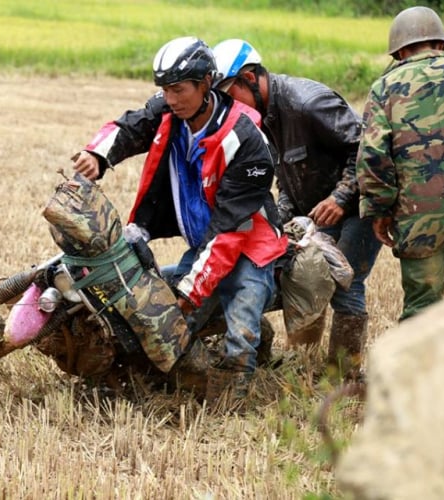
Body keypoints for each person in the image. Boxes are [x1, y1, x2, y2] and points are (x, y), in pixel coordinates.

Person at [73, 36, 288, 406]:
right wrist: (98, 155)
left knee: (241, 329)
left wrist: (191, 292)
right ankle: (156, 384)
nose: (170, 98)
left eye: (178, 89)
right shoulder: (171, 111)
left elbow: (229, 233)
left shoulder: (247, 140)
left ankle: (229, 407)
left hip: (249, 245)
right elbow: (131, 126)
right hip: (205, 241)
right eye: (164, 90)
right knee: (172, 322)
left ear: (206, 84)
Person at [211, 38, 382, 379]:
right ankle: (304, 362)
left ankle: (343, 375)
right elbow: (285, 173)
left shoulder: (308, 103)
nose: (230, 107)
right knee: (306, 275)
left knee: (347, 282)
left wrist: (341, 197)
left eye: (230, 95)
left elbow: (366, 151)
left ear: (248, 78)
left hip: (360, 205)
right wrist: (283, 215)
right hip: (317, 210)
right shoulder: (259, 118)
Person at [357, 6, 444, 321]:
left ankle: (422, 371)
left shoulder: (385, 88)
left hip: (419, 218)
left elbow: (372, 156)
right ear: (441, 44)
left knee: (422, 314)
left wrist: (379, 210)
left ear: (399, 52)